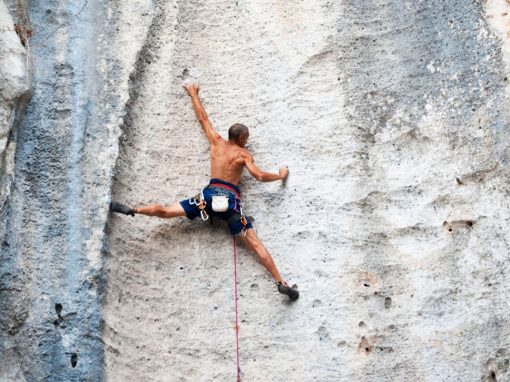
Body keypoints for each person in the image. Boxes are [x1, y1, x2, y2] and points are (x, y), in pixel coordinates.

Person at [111, 83, 298, 300]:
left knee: (167, 210)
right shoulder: (244, 154)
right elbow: (258, 175)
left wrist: (193, 93)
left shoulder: (216, 142)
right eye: (246, 138)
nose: (247, 141)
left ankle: (133, 210)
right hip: (230, 203)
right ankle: (281, 282)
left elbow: (203, 118)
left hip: (206, 200)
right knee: (255, 243)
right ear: (240, 139)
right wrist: (280, 175)